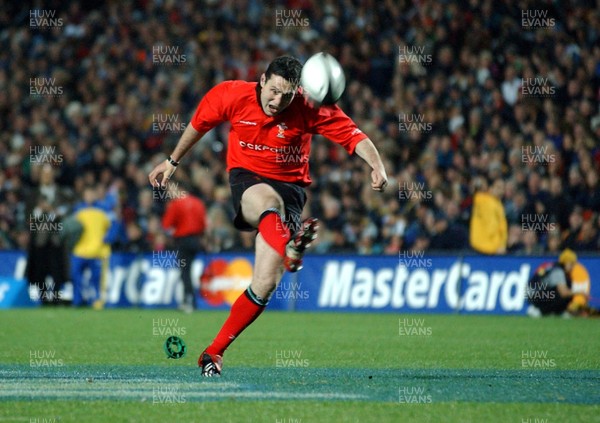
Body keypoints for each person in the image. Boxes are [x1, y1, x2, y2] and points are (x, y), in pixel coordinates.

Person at [148, 56, 388, 376]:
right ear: (262, 80)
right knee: (266, 202)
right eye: (273, 91)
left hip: (291, 189)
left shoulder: (310, 107)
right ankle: (289, 248)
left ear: (297, 92)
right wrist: (172, 162)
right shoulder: (231, 95)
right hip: (247, 178)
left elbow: (355, 136)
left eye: (286, 96)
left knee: (265, 283)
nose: (277, 101)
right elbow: (199, 124)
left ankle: (213, 353)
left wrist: (377, 165)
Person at [161, 182, 207, 313]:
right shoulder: (198, 202)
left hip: (183, 241)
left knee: (185, 272)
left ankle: (189, 302)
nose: (169, 193)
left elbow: (166, 225)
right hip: (196, 240)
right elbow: (203, 224)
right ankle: (191, 301)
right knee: (189, 271)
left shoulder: (176, 204)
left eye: (170, 190)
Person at [70, 185, 111, 308]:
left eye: (91, 194)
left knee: (97, 278)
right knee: (74, 275)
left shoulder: (104, 209)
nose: (89, 197)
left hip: (97, 251)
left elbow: (113, 225)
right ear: (83, 196)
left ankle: (97, 301)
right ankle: (77, 301)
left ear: (94, 195)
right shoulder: (77, 209)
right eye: (86, 195)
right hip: (79, 249)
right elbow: (71, 228)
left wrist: (107, 239)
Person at [526, 249, 585, 316]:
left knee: (565, 291)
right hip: (534, 294)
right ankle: (539, 310)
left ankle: (556, 311)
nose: (573, 267)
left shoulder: (557, 269)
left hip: (537, 293)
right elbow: (563, 293)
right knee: (559, 294)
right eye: (571, 264)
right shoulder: (558, 271)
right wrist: (580, 292)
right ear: (565, 262)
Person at [469, 177, 508, 254]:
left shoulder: (500, 206)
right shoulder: (481, 198)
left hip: (495, 249)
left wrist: (502, 245)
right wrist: (480, 183)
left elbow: (502, 228)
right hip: (478, 247)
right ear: (491, 188)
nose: (500, 190)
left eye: (503, 188)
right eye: (498, 187)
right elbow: (473, 189)